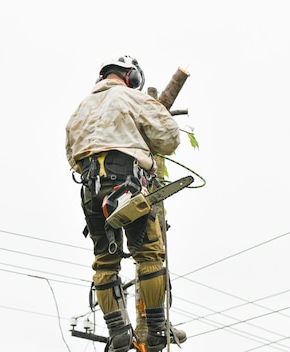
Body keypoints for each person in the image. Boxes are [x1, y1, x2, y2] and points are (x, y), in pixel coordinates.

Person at [65, 55, 186, 351]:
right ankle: (156, 327)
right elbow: (169, 137)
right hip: (126, 183)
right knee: (149, 254)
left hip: (91, 191)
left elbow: (71, 155)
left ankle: (118, 331)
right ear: (131, 77)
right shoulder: (131, 97)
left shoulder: (79, 110)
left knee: (105, 260)